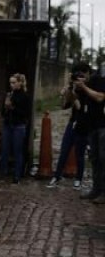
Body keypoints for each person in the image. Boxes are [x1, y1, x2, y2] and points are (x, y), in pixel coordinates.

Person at [46, 63, 91, 189]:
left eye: (80, 77)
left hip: (83, 125)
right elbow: (64, 106)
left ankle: (78, 179)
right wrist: (65, 93)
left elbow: (80, 107)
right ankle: (56, 176)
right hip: (72, 123)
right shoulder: (73, 89)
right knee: (64, 151)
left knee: (79, 154)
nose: (78, 81)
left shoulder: (87, 91)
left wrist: (76, 93)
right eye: (76, 78)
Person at [74, 66, 105, 201]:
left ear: (88, 73)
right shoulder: (85, 85)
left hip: (103, 126)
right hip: (92, 126)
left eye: (82, 74)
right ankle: (95, 189)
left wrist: (84, 87)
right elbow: (74, 102)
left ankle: (103, 193)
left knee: (104, 159)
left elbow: (100, 97)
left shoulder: (99, 80)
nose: (81, 77)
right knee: (94, 159)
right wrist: (72, 88)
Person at [0, 73, 30, 184]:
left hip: (18, 126)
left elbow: (25, 114)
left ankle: (17, 175)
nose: (11, 85)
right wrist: (6, 107)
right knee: (5, 149)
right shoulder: (9, 95)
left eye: (14, 82)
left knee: (18, 151)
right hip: (8, 124)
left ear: (20, 83)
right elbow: (2, 113)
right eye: (10, 83)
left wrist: (12, 107)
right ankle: (3, 172)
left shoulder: (24, 96)